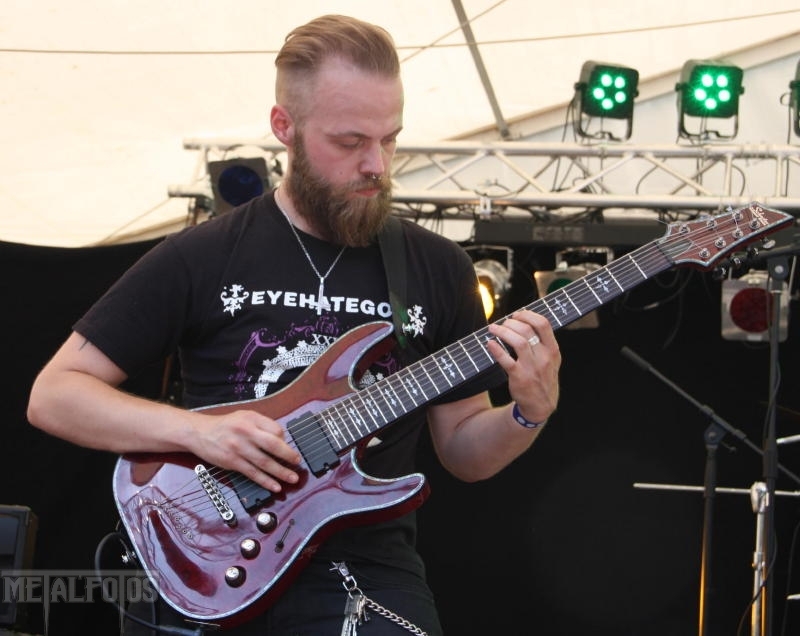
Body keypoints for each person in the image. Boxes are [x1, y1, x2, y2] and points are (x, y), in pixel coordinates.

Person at [27, 14, 560, 636]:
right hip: (212, 555)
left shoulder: (436, 267)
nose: (377, 164)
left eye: (390, 139)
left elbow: (465, 451)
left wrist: (528, 414)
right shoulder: (206, 253)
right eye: (350, 141)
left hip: (365, 571)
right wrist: (201, 434)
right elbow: (54, 395)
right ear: (285, 127)